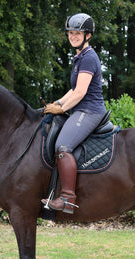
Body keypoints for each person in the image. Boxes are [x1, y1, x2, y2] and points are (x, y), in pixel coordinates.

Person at [41, 13, 107, 215]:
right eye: (70, 33)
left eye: (77, 33)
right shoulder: (79, 57)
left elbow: (81, 92)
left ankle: (68, 199)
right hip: (81, 109)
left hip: (90, 111)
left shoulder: (88, 58)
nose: (73, 36)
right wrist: (58, 103)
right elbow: (73, 89)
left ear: (88, 35)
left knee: (63, 146)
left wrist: (61, 109)